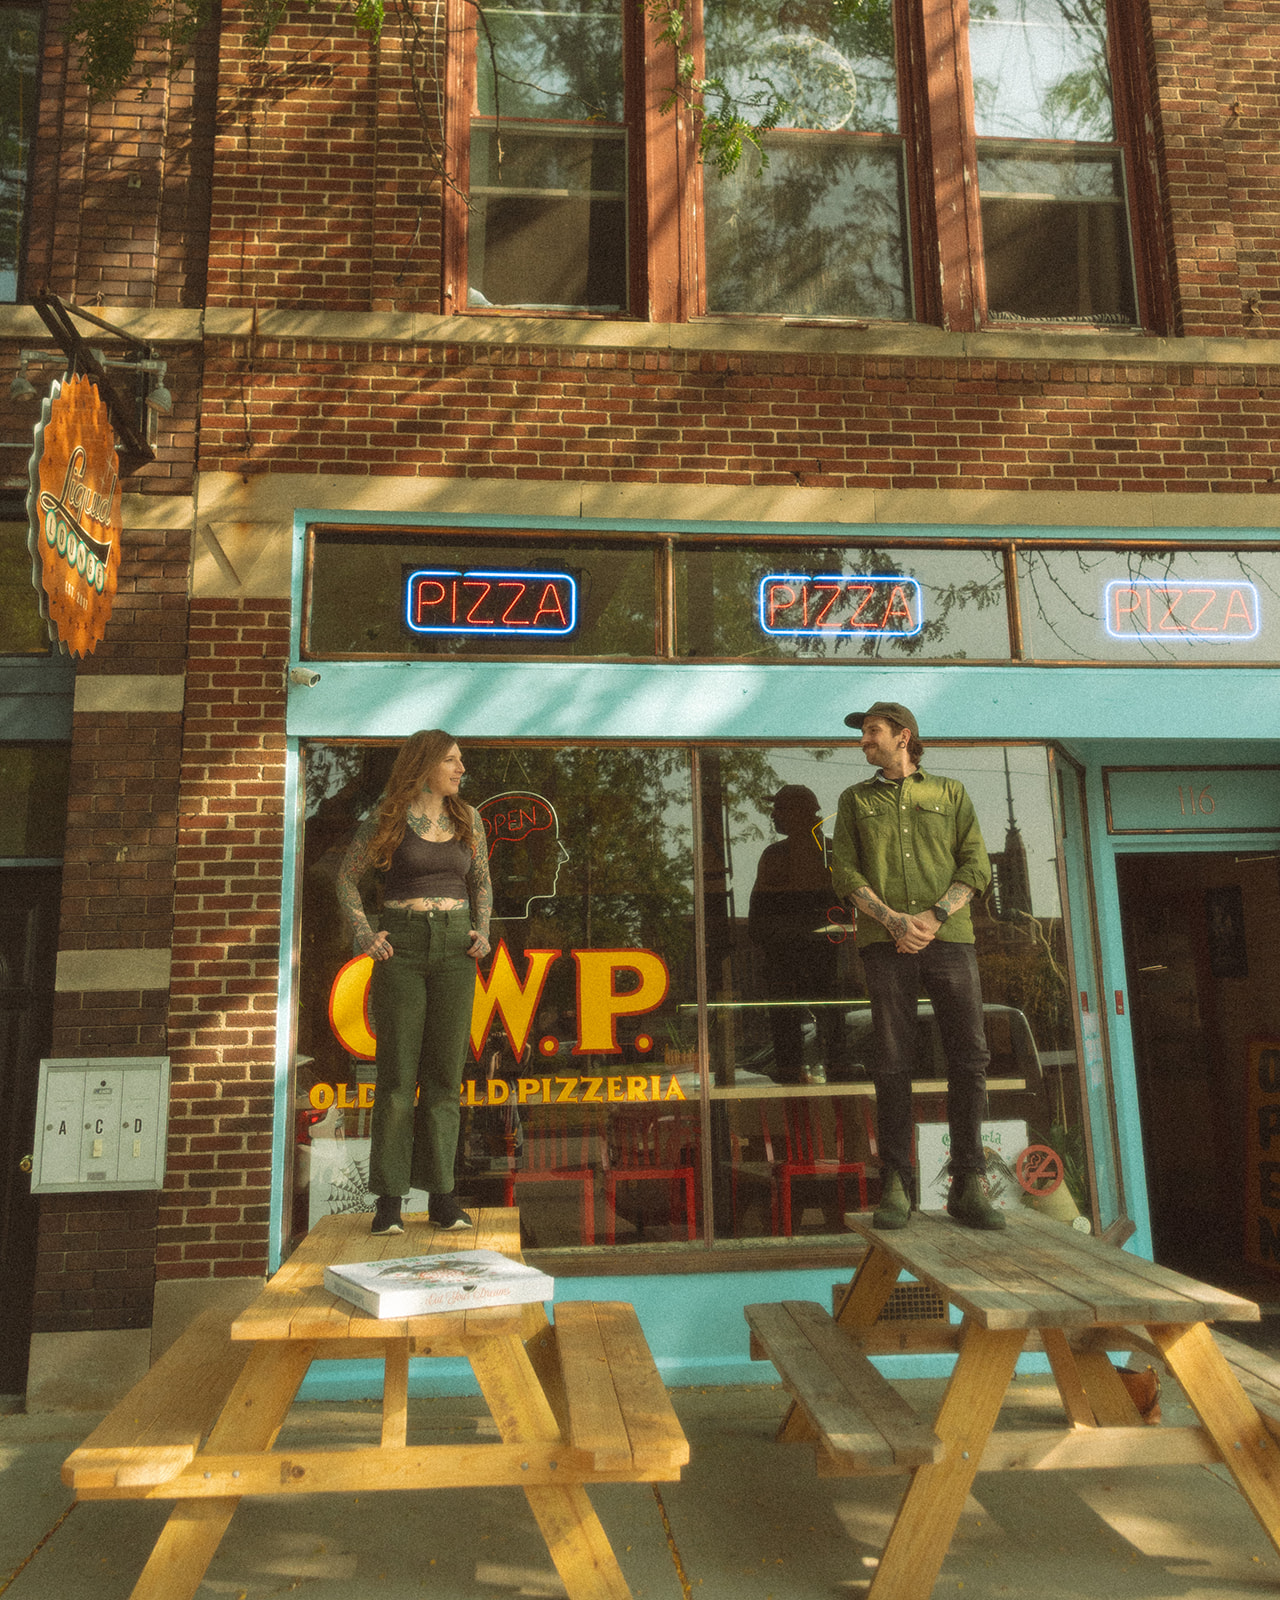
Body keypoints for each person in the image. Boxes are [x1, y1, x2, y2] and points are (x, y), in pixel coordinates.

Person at [831, 701, 1002, 1231]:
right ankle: (898, 1185)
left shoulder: (948, 793)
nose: (864, 741)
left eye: (872, 731)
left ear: (904, 736)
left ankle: (968, 1184)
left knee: (969, 1057)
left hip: (948, 939)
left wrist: (930, 917)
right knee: (891, 1061)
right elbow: (844, 869)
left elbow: (977, 864)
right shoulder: (854, 800)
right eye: (862, 734)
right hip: (885, 945)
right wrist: (893, 921)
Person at [337, 730, 492, 1235]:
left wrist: (483, 933)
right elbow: (346, 878)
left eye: (461, 761)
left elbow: (482, 881)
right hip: (400, 947)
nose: (460, 768)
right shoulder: (388, 818)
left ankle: (442, 1198)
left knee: (445, 1077)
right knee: (398, 1077)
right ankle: (389, 1203)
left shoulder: (468, 820)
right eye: (451, 760)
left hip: (454, 950)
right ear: (424, 764)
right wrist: (364, 934)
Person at [748, 785, 851, 1085]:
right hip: (792, 963)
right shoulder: (779, 854)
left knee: (829, 1035)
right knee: (792, 1043)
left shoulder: (830, 853)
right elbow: (759, 920)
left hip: (818, 961)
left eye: (781, 808)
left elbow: (848, 911)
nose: (773, 815)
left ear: (802, 814)